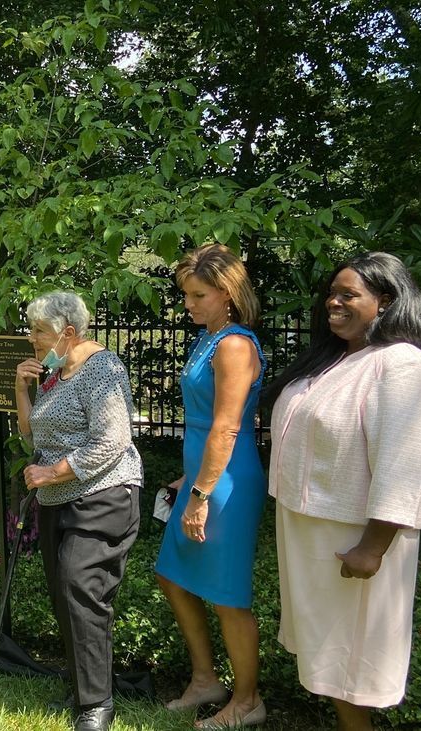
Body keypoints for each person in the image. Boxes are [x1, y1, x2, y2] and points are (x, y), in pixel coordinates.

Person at [264, 252, 421, 731]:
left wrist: (373, 546)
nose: (334, 302)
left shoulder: (403, 365)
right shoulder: (336, 359)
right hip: (309, 527)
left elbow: (405, 463)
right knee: (330, 655)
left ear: (385, 301)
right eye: (332, 293)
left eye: (349, 295)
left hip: (356, 535)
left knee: (353, 658)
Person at [14, 291, 143, 731]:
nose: (31, 338)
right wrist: (21, 387)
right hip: (58, 500)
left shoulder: (103, 369)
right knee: (64, 593)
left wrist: (52, 473)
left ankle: (96, 704)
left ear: (68, 333)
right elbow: (33, 433)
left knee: (78, 587)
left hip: (104, 496)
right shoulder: (56, 372)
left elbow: (112, 441)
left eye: (39, 332)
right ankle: (84, 684)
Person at [154, 244, 268, 728]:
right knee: (171, 575)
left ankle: (247, 702)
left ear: (226, 293)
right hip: (203, 474)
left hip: (226, 484)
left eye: (197, 295)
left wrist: (200, 495)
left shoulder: (235, 345)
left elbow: (226, 428)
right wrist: (188, 478)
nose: (188, 304)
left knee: (227, 595)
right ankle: (205, 679)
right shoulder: (209, 339)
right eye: (186, 294)